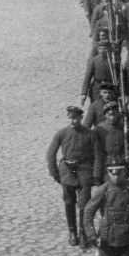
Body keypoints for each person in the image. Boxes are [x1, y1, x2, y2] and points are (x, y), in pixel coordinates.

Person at [46, 106, 105, 248]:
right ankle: (72, 232)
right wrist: (55, 173)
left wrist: (96, 175)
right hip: (67, 172)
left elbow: (98, 155)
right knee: (68, 202)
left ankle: (83, 232)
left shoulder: (90, 134)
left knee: (84, 204)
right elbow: (50, 153)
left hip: (84, 172)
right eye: (71, 118)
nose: (73, 121)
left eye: (76, 118)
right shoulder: (62, 133)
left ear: (80, 118)